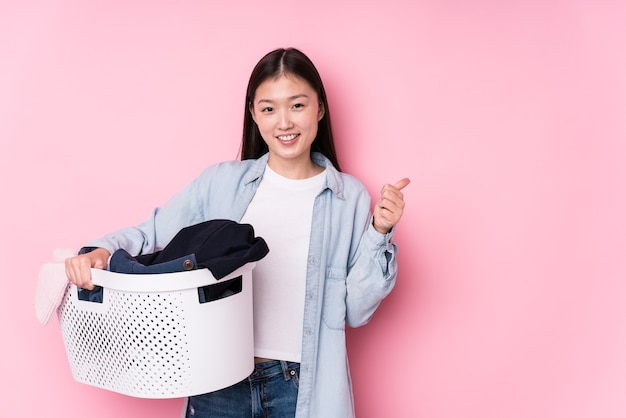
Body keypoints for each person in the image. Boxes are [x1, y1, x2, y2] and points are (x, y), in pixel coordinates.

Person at [65, 47, 409, 418]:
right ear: (253, 115)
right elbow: (151, 233)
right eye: (268, 108)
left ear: (320, 109)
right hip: (218, 382)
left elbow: (356, 312)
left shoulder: (349, 198)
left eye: (297, 105)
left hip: (298, 387)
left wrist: (379, 231)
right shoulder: (221, 184)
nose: (284, 122)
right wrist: (101, 250)